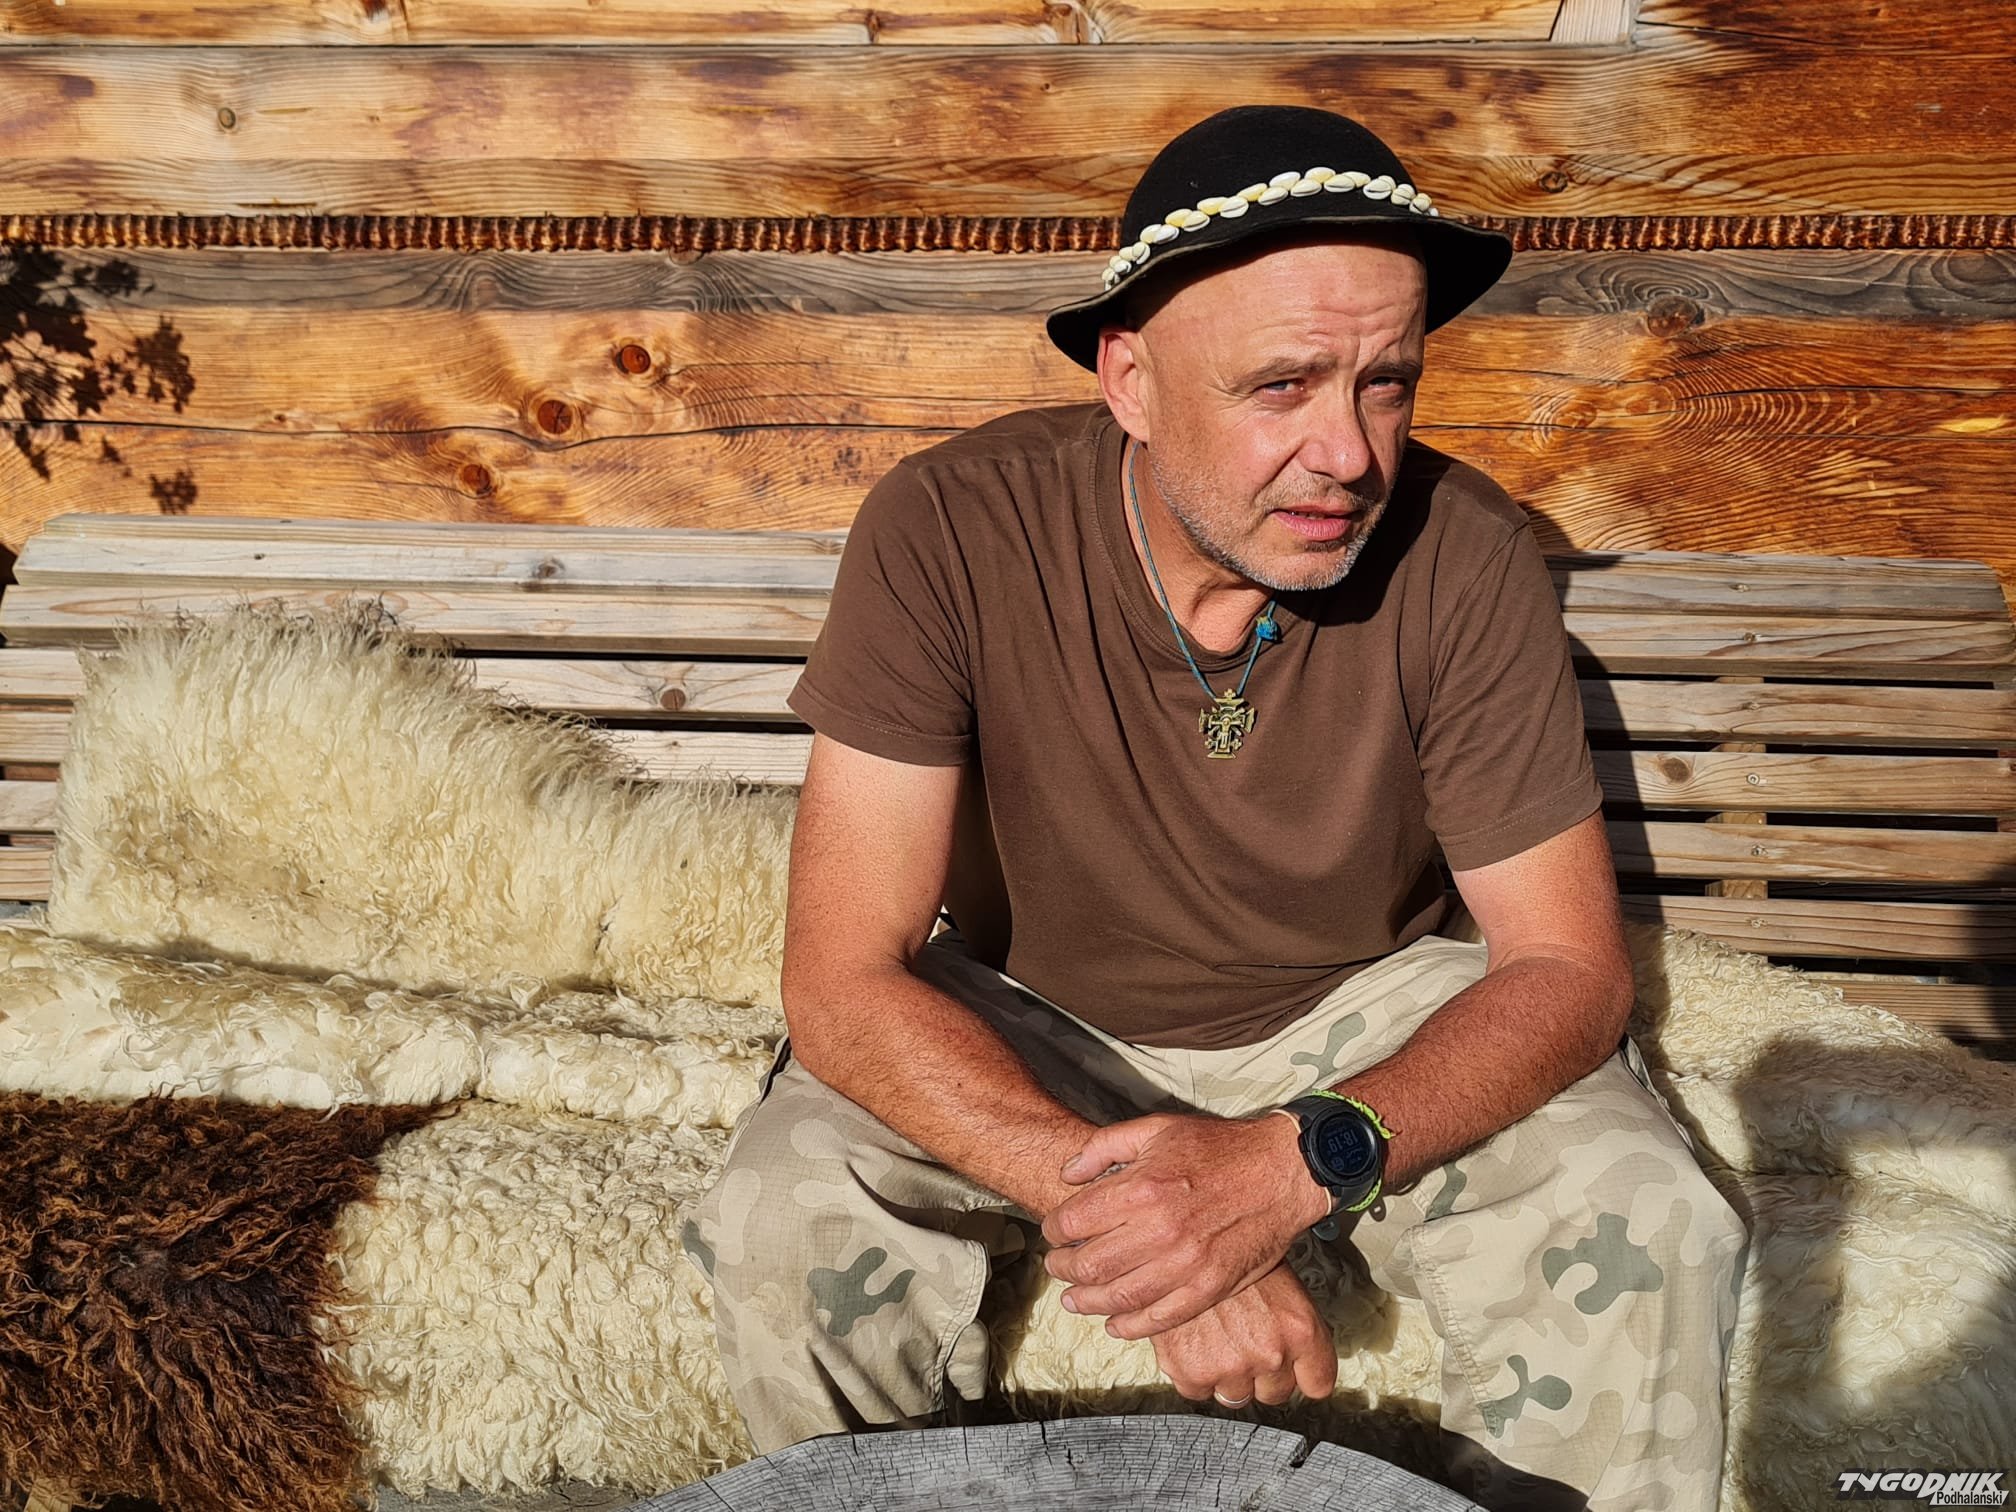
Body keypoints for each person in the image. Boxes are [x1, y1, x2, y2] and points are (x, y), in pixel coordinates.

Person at [688, 104, 1748, 1512]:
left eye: (1386, 382)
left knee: (1650, 1213)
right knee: (785, 1215)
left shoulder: (1466, 556)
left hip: (1368, 1008)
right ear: (1131, 382)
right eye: (1282, 386)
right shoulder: (951, 528)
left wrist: (1297, 1164)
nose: (1349, 452)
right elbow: (841, 980)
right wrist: (1147, 1226)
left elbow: (1564, 968)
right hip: (1033, 1013)